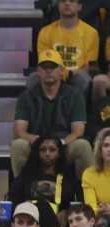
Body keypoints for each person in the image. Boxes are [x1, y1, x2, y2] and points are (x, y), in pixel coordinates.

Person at [11, 50, 93, 180]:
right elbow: (19, 131)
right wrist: (33, 139)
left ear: (61, 70)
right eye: (44, 67)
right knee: (18, 145)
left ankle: (84, 193)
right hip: (37, 146)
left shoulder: (75, 96)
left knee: (82, 146)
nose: (49, 71)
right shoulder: (26, 97)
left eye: (53, 67)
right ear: (38, 71)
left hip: (64, 145)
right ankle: (21, 190)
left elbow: (78, 132)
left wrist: (60, 143)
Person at [8, 136, 83, 227]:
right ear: (37, 153)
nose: (47, 153)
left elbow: (80, 203)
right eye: (43, 150)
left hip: (59, 226)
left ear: (58, 153)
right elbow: (12, 201)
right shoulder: (25, 177)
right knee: (42, 205)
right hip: (29, 224)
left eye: (52, 150)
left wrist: (67, 212)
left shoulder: (69, 179)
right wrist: (24, 207)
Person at [28, 0, 99, 94]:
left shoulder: (91, 33)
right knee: (34, 78)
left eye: (72, 1)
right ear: (58, 6)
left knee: (82, 79)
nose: (67, 3)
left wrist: (67, 73)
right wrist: (57, 73)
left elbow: (88, 66)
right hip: (51, 71)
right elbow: (44, 61)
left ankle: (75, 107)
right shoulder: (45, 32)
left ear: (79, 6)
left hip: (75, 75)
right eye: (63, 1)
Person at [81, 129, 110, 227]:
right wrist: (99, 211)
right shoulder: (89, 174)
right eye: (106, 145)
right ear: (99, 149)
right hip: (102, 218)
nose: (109, 149)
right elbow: (91, 206)